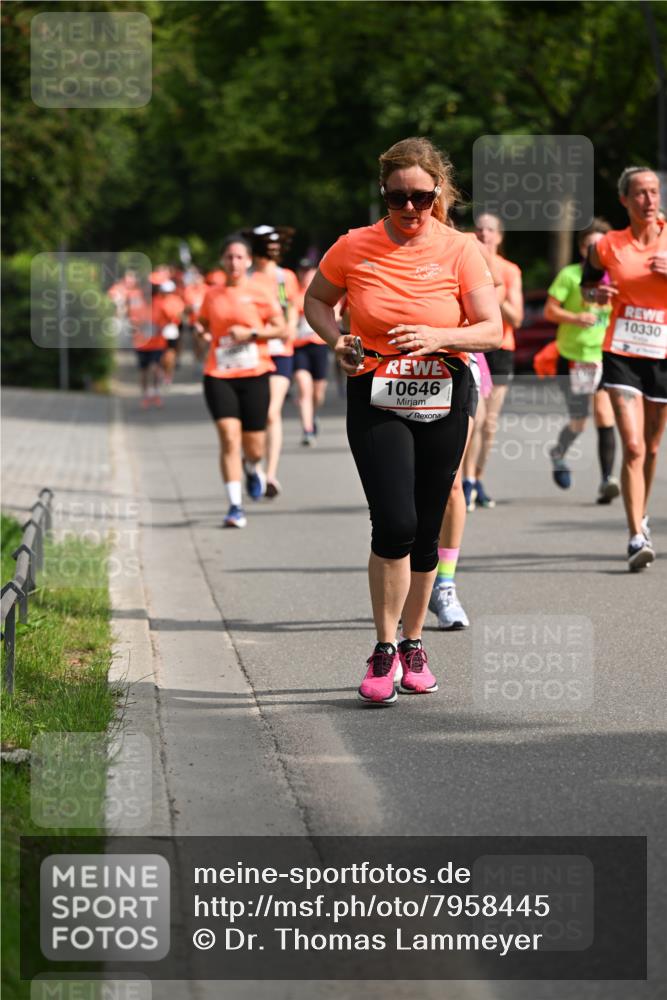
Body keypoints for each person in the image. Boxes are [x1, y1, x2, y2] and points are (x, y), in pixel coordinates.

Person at [305, 136, 502, 705]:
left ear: (438, 193)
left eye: (420, 196)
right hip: (377, 391)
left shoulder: (462, 249)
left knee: (425, 522)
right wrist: (337, 339)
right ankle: (383, 647)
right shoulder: (353, 246)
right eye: (397, 198)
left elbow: (491, 330)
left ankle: (414, 643)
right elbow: (317, 302)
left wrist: (440, 335)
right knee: (392, 521)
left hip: (443, 391)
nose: (410, 209)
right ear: (383, 195)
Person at [582, 167, 667, 571]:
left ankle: (642, 514)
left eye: (653, 192)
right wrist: (596, 292)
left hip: (662, 353)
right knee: (632, 445)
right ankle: (636, 535)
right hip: (620, 352)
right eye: (640, 194)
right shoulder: (606, 246)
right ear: (624, 200)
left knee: (651, 447)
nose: (649, 200)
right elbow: (588, 287)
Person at [195, 236, 286, 528]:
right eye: (228, 257)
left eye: (239, 257)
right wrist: (202, 333)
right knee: (229, 438)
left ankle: (252, 467)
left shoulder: (260, 291)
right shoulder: (213, 294)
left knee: (254, 446)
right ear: (222, 261)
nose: (233, 262)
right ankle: (235, 506)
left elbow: (281, 328)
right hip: (219, 374)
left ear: (248, 261)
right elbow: (203, 323)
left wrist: (252, 335)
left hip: (255, 373)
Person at [544, 220, 619, 501]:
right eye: (590, 246)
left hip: (605, 356)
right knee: (579, 421)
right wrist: (575, 318)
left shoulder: (614, 276)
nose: (595, 251)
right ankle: (559, 453)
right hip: (574, 357)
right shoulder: (570, 275)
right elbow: (550, 311)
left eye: (600, 246)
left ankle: (607, 480)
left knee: (604, 414)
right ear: (581, 248)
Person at [463, 212, 523, 509]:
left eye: (490, 230)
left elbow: (518, 317)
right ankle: (467, 481)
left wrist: (491, 300)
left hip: (501, 347)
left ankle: (478, 478)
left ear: (499, 237)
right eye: (479, 229)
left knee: (490, 424)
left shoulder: (509, 270)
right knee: (477, 418)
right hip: (473, 345)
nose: (484, 234)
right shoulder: (467, 260)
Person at [245, 225, 298, 498]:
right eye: (268, 246)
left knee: (271, 412)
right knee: (253, 416)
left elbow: (293, 308)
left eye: (276, 246)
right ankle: (252, 461)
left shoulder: (284, 277)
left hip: (280, 352)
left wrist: (288, 326)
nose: (273, 251)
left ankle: (270, 474)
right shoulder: (246, 277)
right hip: (251, 354)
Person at [293, 258, 331, 445]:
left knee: (318, 393)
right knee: (303, 386)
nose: (305, 274)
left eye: (308, 270)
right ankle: (307, 429)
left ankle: (313, 416)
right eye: (302, 270)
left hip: (319, 345)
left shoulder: (322, 294)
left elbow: (335, 312)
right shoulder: (293, 295)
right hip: (299, 346)